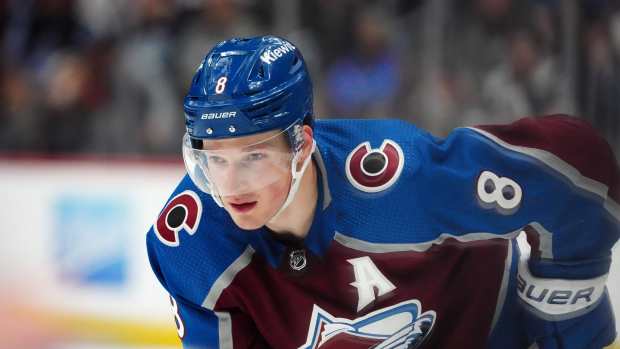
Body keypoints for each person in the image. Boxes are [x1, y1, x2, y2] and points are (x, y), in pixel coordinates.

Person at [146, 36, 619, 348]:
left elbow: (574, 164)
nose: (229, 185)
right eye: (214, 159)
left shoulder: (397, 181)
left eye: (253, 155)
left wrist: (561, 308)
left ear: (302, 144)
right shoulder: (191, 245)